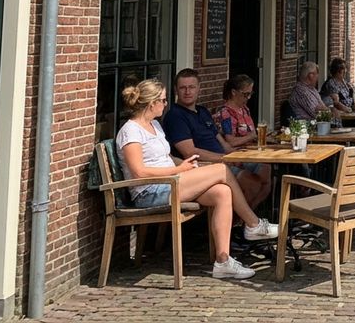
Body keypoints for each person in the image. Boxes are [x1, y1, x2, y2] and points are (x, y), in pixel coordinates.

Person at [116, 79, 277, 280]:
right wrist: (180, 169)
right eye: (163, 101)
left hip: (171, 182)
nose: (166, 104)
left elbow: (167, 158)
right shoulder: (130, 131)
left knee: (222, 192)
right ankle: (253, 225)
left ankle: (223, 261)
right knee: (221, 170)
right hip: (150, 192)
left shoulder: (154, 125)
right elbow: (139, 172)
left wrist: (188, 165)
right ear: (151, 104)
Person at [163, 69, 267, 209]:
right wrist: (224, 159)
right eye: (183, 87)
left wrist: (242, 155)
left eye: (192, 87)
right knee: (251, 181)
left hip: (224, 159)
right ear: (176, 90)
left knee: (265, 169)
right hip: (205, 165)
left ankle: (243, 220)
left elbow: (224, 144)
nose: (187, 91)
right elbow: (189, 152)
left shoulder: (203, 112)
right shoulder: (175, 117)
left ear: (199, 88)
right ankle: (241, 223)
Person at [212, 74, 272, 207]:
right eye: (245, 94)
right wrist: (252, 136)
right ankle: (244, 216)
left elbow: (252, 134)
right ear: (234, 92)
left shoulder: (245, 109)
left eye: (251, 94)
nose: (248, 98)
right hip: (237, 155)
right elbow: (231, 141)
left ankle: (251, 210)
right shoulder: (225, 113)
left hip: (252, 152)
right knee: (262, 172)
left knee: (267, 172)